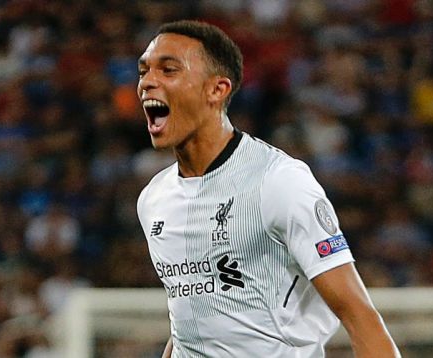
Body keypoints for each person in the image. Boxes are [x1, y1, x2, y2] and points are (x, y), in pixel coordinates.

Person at [136, 20, 401, 358]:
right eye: (144, 71)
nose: (148, 82)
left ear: (216, 90)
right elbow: (190, 325)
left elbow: (361, 317)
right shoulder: (153, 200)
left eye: (168, 70)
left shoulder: (278, 182)